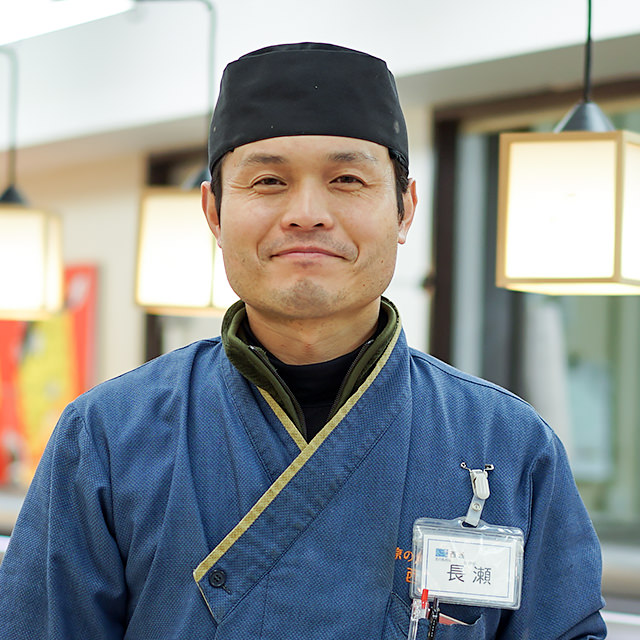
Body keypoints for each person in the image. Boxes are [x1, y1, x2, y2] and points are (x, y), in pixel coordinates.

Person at [0, 43, 606, 639]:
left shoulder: (509, 443)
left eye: (347, 179)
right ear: (213, 213)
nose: (307, 212)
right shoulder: (106, 436)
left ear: (405, 209)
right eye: (268, 180)